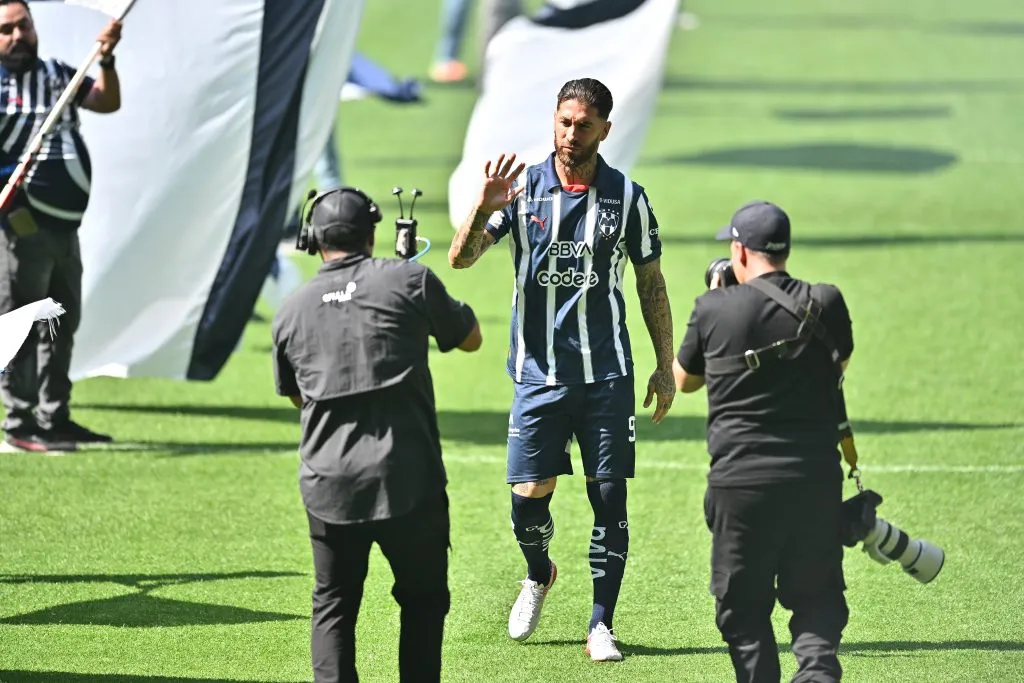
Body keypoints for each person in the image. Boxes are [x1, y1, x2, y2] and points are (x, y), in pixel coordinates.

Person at [447, 77, 676, 662]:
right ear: (554, 120)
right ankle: (538, 572)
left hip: (607, 376)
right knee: (528, 500)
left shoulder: (627, 198)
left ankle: (601, 624)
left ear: (605, 129)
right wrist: (482, 207)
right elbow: (461, 259)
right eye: (564, 121)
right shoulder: (521, 190)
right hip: (538, 375)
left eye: (584, 125)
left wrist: (664, 364)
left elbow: (651, 282)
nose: (571, 133)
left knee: (609, 498)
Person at [272, 187, 482, 683]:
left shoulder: (291, 310)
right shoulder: (408, 280)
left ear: (312, 240)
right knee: (423, 601)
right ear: (371, 235)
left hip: (329, 485)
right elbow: (471, 338)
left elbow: (299, 397)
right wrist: (413, 285)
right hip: (407, 478)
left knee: (334, 604)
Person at [673, 200, 854, 683]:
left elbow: (684, 380)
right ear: (785, 249)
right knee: (816, 598)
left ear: (738, 251)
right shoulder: (827, 302)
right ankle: (816, 673)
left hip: (741, 486)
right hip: (813, 479)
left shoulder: (713, 309)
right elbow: (837, 368)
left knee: (744, 609)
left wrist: (720, 302)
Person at [0, 0, 122, 452]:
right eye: (7, 29)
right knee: (21, 321)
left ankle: (54, 416)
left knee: (60, 322)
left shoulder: (57, 74)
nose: (18, 36)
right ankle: (20, 421)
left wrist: (106, 60)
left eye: (24, 26)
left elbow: (106, 101)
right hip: (20, 225)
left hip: (66, 225)